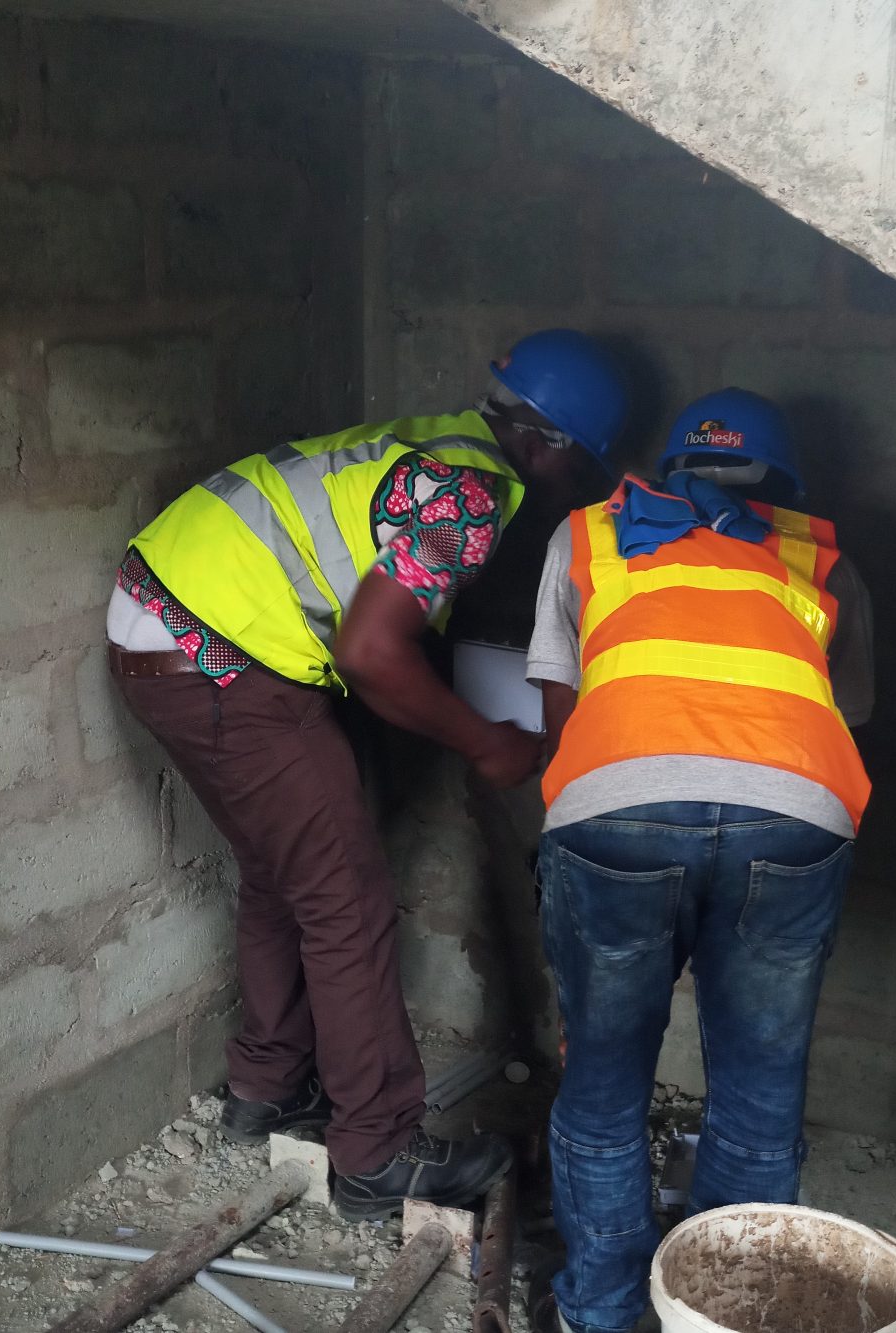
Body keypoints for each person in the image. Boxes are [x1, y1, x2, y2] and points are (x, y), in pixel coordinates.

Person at [105, 329, 628, 1222]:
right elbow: (372, 652)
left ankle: (268, 1085)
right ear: (547, 445)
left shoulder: (437, 441)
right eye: (585, 466)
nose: (580, 487)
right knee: (344, 896)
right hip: (217, 655)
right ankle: (378, 1152)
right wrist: (486, 741)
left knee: (283, 870)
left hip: (158, 619)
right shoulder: (468, 495)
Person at [525, 388, 873, 1333]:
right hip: (794, 819)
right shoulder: (822, 555)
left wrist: (575, 828)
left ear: (673, 464)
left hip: (617, 808)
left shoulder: (588, 534)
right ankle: (723, 1315)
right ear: (780, 478)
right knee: (761, 1093)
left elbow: (562, 711)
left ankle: (600, 1311)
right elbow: (844, 711)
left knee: (604, 1087)